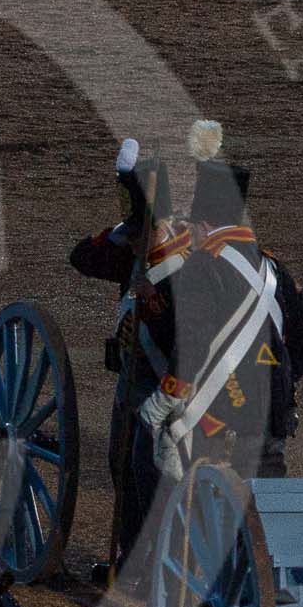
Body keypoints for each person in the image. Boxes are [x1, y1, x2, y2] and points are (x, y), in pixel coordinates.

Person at [134, 121, 303, 501]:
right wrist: (278, 372)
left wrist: (165, 399)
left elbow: (194, 338)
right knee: (266, 516)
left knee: (171, 485)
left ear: (204, 224)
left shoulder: (203, 265)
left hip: (220, 416)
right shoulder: (272, 267)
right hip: (273, 411)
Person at [68, 134, 183, 580]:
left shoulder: (186, 256)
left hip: (172, 382)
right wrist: (120, 237)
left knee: (149, 477)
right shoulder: (129, 246)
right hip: (133, 380)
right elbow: (81, 258)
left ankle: (152, 567)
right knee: (123, 465)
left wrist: (154, 301)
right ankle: (131, 558)